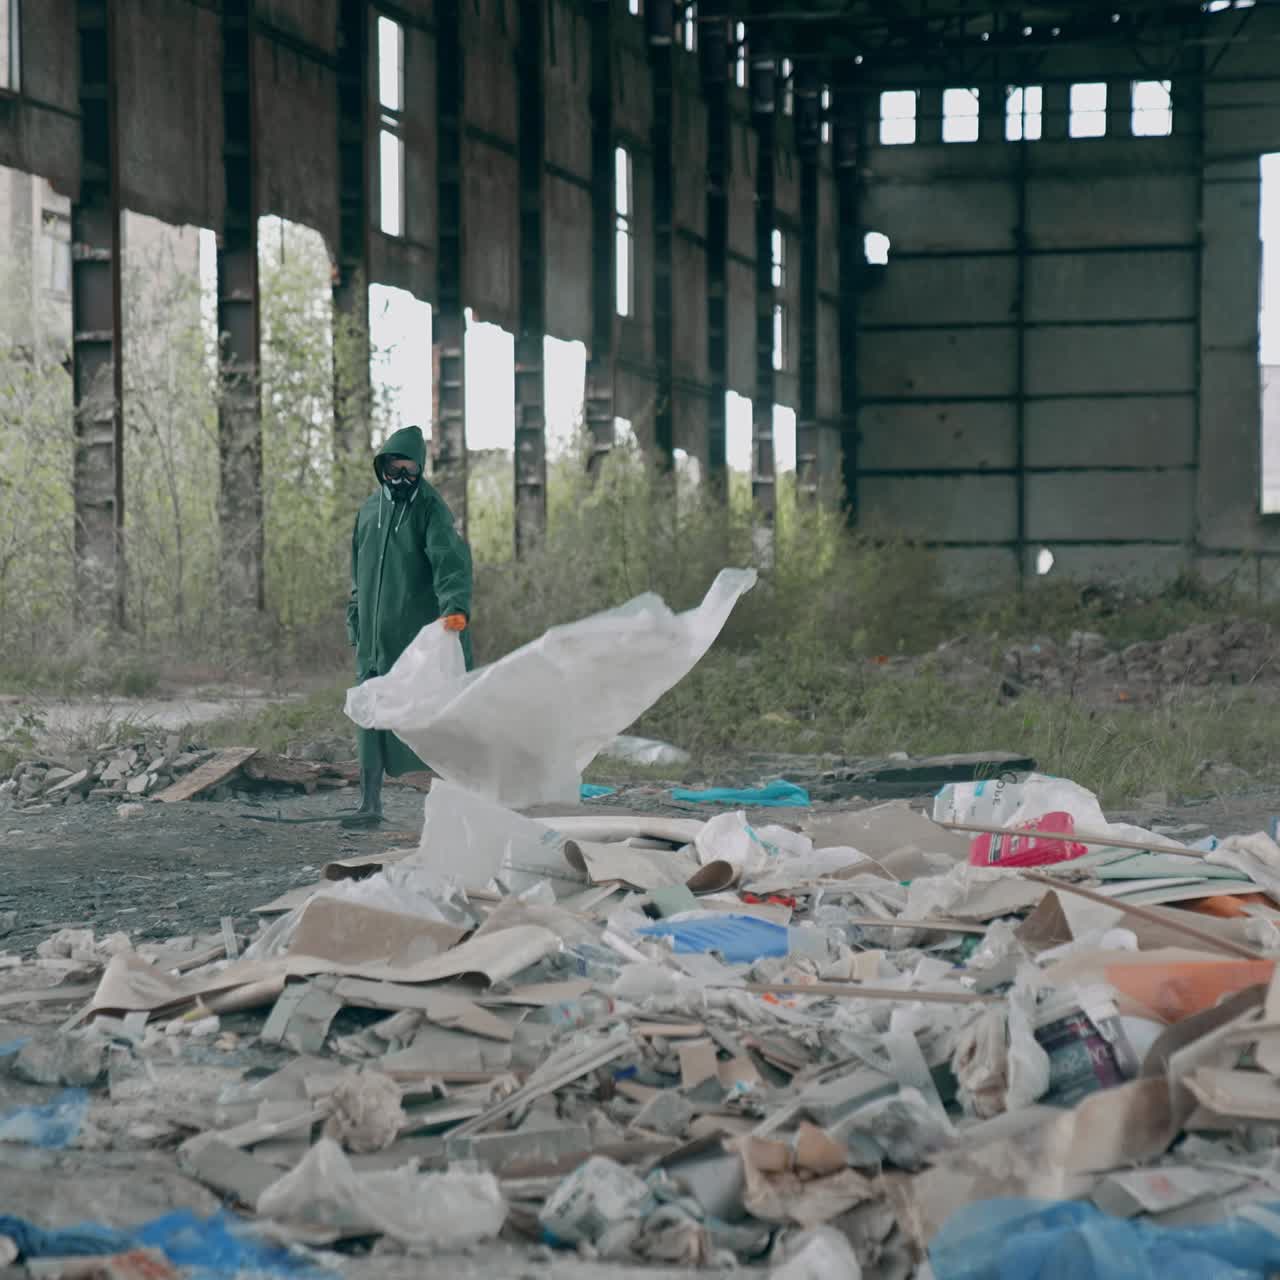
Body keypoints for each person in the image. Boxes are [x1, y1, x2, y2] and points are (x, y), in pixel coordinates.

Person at [343, 425, 472, 827]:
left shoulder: (430, 509)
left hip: (413, 636)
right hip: (373, 637)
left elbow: (450, 562)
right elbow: (356, 573)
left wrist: (455, 609)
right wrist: (355, 618)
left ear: (420, 469)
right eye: (392, 468)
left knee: (432, 715)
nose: (400, 477)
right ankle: (369, 804)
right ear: (381, 467)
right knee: (369, 716)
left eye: (408, 469)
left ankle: (457, 803)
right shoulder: (369, 510)